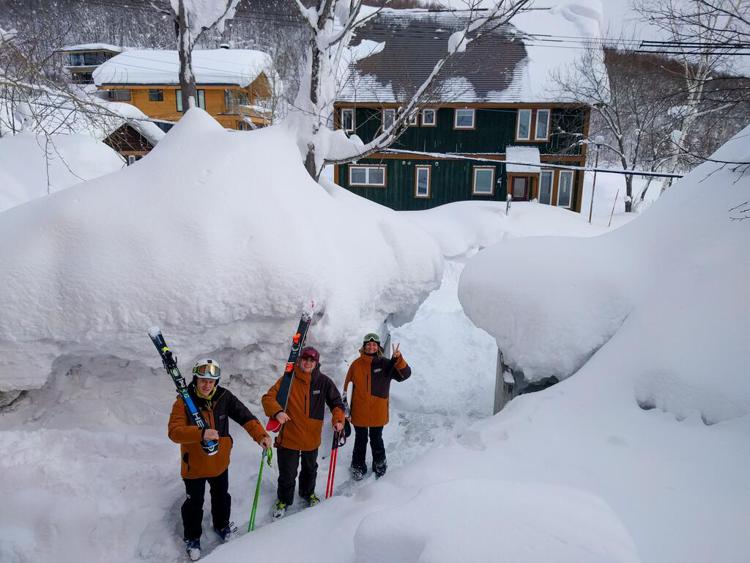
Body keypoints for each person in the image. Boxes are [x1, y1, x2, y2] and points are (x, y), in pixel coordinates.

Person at [168, 358, 272, 561]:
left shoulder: (224, 397)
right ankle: (192, 538)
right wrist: (200, 433)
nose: (207, 385)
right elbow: (174, 432)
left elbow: (246, 417)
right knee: (194, 503)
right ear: (196, 380)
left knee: (221, 496)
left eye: (211, 381)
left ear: (216, 382)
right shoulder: (184, 400)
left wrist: (261, 435)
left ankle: (222, 526)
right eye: (203, 380)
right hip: (194, 464)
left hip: (219, 461)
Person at [262, 346, 345, 519]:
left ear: (316, 363)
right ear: (299, 360)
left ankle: (308, 494)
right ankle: (284, 500)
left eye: (311, 360)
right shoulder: (287, 380)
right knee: (288, 472)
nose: (308, 363)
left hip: (311, 438)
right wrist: (277, 412)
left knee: (310, 470)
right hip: (289, 436)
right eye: (305, 359)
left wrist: (338, 420)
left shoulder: (324, 382)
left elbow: (337, 403)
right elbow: (268, 398)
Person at [344, 333, 411, 480]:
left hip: (377, 410)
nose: (371, 346)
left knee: (376, 439)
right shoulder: (356, 364)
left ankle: (380, 463)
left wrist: (398, 359)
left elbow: (405, 375)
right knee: (360, 440)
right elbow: (347, 387)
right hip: (359, 411)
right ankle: (358, 465)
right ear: (364, 346)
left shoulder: (386, 363)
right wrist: (346, 409)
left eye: (374, 344)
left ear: (378, 347)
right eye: (368, 344)